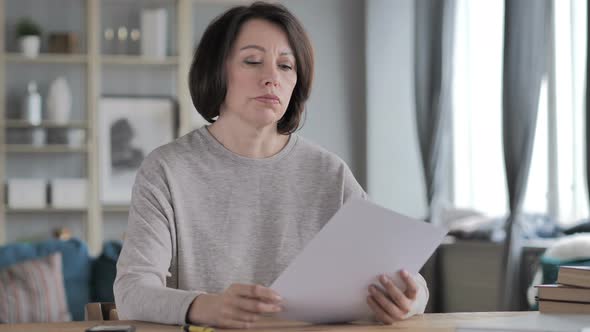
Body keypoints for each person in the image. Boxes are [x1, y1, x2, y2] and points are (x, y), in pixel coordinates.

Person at [114, 2, 428, 328]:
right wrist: (207, 306)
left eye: (285, 66)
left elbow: (410, 280)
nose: (271, 78)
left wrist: (410, 301)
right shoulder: (166, 170)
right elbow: (132, 292)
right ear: (215, 71)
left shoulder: (329, 173)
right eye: (252, 61)